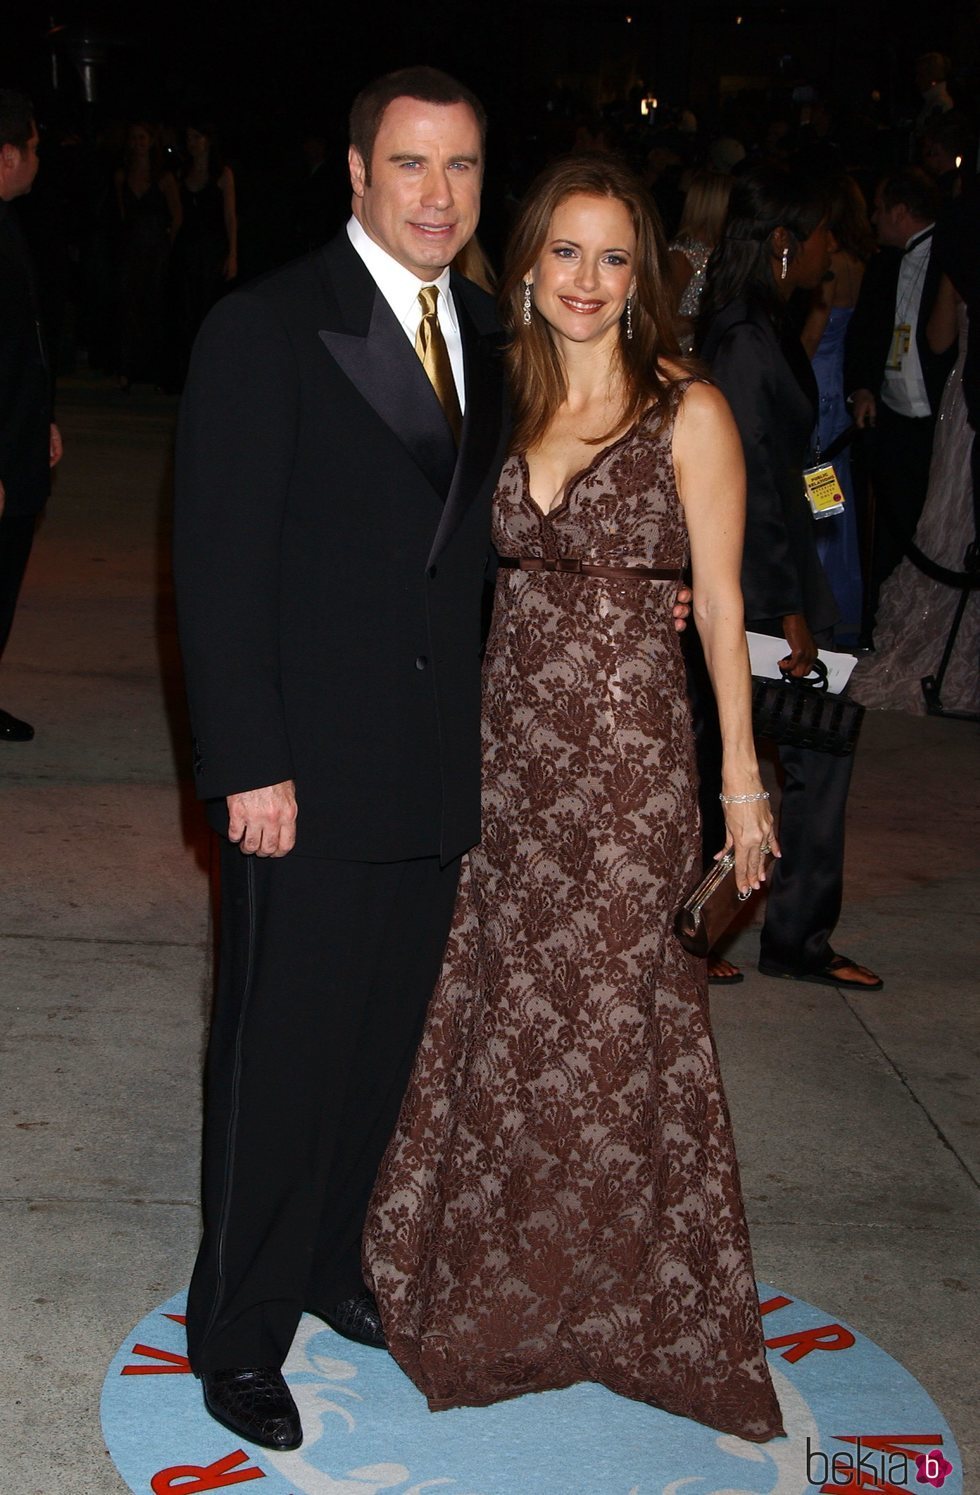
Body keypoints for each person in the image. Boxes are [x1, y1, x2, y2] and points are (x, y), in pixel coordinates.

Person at [173, 67, 692, 1454]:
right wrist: (248, 762)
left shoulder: (487, 327)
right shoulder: (270, 325)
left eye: (462, 169)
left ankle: (333, 1261)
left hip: (437, 772)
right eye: (411, 165)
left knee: (377, 1055)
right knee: (279, 1057)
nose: (438, 193)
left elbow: (593, 456)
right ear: (355, 172)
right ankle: (234, 1325)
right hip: (305, 777)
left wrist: (668, 583)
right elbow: (218, 572)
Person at [363, 154, 784, 1443]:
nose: (588, 281)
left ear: (645, 274)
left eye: (615, 258)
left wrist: (742, 787)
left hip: (625, 773)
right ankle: (487, 1283)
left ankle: (603, 1304)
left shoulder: (687, 414)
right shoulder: (495, 396)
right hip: (505, 762)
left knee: (611, 1039)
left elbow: (717, 606)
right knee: (499, 1013)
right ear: (527, 261)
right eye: (565, 253)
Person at [698, 163, 881, 993]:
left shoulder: (761, 324)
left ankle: (733, 936)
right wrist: (789, 608)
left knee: (740, 751)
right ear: (782, 244)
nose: (830, 253)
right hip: (758, 583)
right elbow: (751, 479)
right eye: (819, 238)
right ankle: (784, 937)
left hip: (771, 577)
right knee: (805, 750)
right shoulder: (743, 336)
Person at [850, 274, 978, 715]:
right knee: (947, 523)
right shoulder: (955, 261)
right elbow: (939, 339)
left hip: (955, 405)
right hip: (962, 406)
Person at [844, 168, 955, 625]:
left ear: (901, 212)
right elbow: (864, 335)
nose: (872, 219)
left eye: (879, 209)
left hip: (942, 419)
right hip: (892, 418)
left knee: (937, 528)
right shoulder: (882, 263)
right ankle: (883, 618)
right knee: (890, 526)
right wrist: (863, 388)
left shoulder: (953, 256)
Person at [0, 90, 63, 743]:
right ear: (7, 154)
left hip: (17, 439)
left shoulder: (10, 221)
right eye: (35, 149)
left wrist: (42, 418)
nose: (39, 161)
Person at [798, 174, 877, 643]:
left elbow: (810, 340)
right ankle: (838, 599)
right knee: (833, 501)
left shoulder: (827, 270)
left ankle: (819, 602)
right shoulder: (862, 265)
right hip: (839, 392)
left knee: (818, 496)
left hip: (819, 395)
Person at [169, 119, 236, 385]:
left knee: (207, 307)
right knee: (185, 309)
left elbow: (230, 216)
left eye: (197, 137)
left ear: (208, 140)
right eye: (189, 138)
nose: (192, 143)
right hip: (188, 247)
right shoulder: (181, 173)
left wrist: (233, 254)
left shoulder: (222, 173)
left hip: (211, 249)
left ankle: (210, 371)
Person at [114, 122, 181, 389]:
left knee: (155, 306)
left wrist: (167, 246)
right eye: (134, 138)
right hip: (131, 249)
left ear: (151, 141)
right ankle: (127, 369)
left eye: (143, 138)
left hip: (156, 249)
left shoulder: (164, 177)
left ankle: (153, 369)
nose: (138, 143)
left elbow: (177, 216)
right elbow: (121, 215)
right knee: (129, 307)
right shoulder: (122, 175)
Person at [667, 167, 732, 352]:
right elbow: (657, 323)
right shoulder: (680, 255)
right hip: (677, 360)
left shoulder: (720, 252)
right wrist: (703, 321)